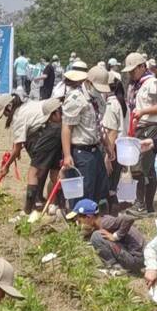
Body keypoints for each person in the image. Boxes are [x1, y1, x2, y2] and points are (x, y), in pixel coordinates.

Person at [0, 94, 64, 214]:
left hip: (48, 133)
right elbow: (18, 144)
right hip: (59, 130)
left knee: (33, 173)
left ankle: (29, 209)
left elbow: (17, 148)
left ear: (9, 107)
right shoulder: (28, 105)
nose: (5, 116)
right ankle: (56, 205)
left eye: (5, 113)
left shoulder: (18, 116)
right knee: (55, 172)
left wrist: (6, 166)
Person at [123, 52, 157, 217]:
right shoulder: (136, 85)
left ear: (143, 67)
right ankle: (146, 205)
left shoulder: (151, 83)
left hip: (151, 126)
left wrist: (143, 111)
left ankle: (143, 204)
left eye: (133, 70)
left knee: (141, 166)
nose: (130, 74)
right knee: (144, 167)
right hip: (139, 126)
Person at [61, 60, 109, 208]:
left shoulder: (98, 98)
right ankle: (79, 221)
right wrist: (67, 155)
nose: (99, 91)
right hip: (81, 151)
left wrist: (108, 145)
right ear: (88, 82)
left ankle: (92, 218)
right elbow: (66, 127)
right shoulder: (76, 98)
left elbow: (99, 124)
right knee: (83, 190)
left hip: (96, 149)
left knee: (99, 187)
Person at [67, 199, 145, 274]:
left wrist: (115, 236)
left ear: (88, 217)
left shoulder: (105, 222)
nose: (80, 224)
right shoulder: (102, 221)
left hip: (136, 259)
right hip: (138, 258)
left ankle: (116, 267)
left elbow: (128, 218)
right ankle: (121, 266)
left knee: (96, 237)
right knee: (96, 235)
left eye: (80, 221)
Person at [88, 65, 121, 209]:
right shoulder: (121, 102)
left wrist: (108, 152)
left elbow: (111, 130)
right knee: (111, 185)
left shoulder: (110, 104)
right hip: (119, 147)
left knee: (104, 185)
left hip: (112, 146)